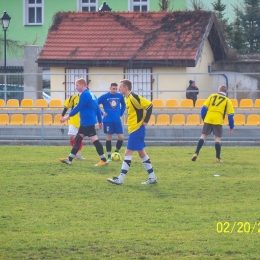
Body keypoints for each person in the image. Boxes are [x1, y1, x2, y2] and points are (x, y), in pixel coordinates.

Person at [107, 79, 157, 185]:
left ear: (125, 88)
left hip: (137, 129)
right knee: (141, 153)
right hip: (134, 129)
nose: (119, 88)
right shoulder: (127, 98)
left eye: (120, 87)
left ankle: (120, 179)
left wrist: (145, 121)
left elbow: (149, 105)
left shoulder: (133, 97)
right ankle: (152, 177)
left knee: (128, 152)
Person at [59, 78, 107, 166]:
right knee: (78, 140)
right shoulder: (92, 95)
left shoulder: (85, 95)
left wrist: (66, 117)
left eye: (77, 85)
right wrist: (100, 122)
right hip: (86, 122)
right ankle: (69, 159)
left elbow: (78, 107)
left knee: (94, 140)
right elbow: (97, 108)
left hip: (87, 122)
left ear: (82, 85)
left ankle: (103, 159)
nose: (76, 87)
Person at [191, 85, 234, 163]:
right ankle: (217, 158)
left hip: (208, 118)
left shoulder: (212, 96)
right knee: (217, 138)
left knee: (203, 136)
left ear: (219, 90)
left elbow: (203, 109)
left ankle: (196, 153)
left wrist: (204, 118)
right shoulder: (227, 101)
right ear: (226, 92)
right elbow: (230, 116)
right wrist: (231, 127)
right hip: (218, 120)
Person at [98, 83, 126, 162]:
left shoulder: (120, 96)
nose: (115, 90)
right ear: (110, 88)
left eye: (116, 89)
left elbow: (123, 104)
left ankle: (116, 153)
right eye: (113, 88)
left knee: (121, 137)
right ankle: (109, 156)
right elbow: (95, 104)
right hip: (108, 121)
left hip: (117, 120)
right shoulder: (104, 96)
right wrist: (102, 112)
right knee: (109, 138)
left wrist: (121, 113)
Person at [61, 93, 85, 160]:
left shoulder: (87, 98)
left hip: (82, 121)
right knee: (71, 137)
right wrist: (62, 116)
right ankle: (75, 151)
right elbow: (66, 106)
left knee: (80, 139)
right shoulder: (74, 97)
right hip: (73, 121)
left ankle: (78, 155)